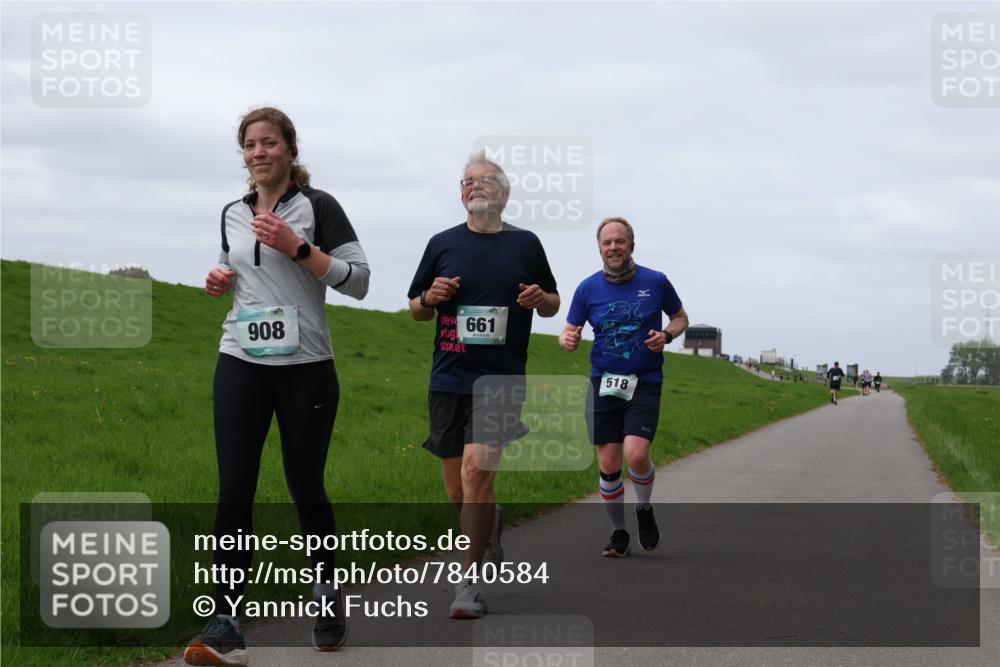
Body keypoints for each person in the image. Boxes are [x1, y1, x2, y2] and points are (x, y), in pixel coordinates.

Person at [186, 107, 370, 666]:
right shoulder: (232, 213)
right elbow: (235, 266)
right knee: (234, 487)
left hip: (306, 365)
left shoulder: (319, 208)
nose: (259, 152)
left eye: (269, 143)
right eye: (249, 144)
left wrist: (299, 247)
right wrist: (220, 277)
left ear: (290, 150)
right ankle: (225, 619)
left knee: (304, 486)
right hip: (240, 358)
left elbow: (359, 281)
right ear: (243, 154)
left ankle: (326, 591)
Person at [407, 152, 559, 619]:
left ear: (504, 194)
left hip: (501, 378)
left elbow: (552, 302)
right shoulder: (442, 243)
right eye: (467, 181)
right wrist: (430, 297)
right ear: (461, 194)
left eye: (485, 181)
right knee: (458, 490)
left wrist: (540, 298)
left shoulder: (526, 244)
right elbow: (416, 306)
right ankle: (488, 519)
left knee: (476, 473)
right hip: (449, 376)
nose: (474, 187)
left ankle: (467, 585)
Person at [559, 217, 688, 558]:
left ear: (631, 245)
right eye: (607, 242)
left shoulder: (656, 281)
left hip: (644, 379)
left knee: (636, 453)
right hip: (604, 381)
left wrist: (668, 335)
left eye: (620, 241)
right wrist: (568, 338)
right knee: (609, 461)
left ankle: (643, 508)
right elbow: (568, 329)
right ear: (599, 248)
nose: (613, 247)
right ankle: (618, 534)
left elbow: (680, 317)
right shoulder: (587, 288)